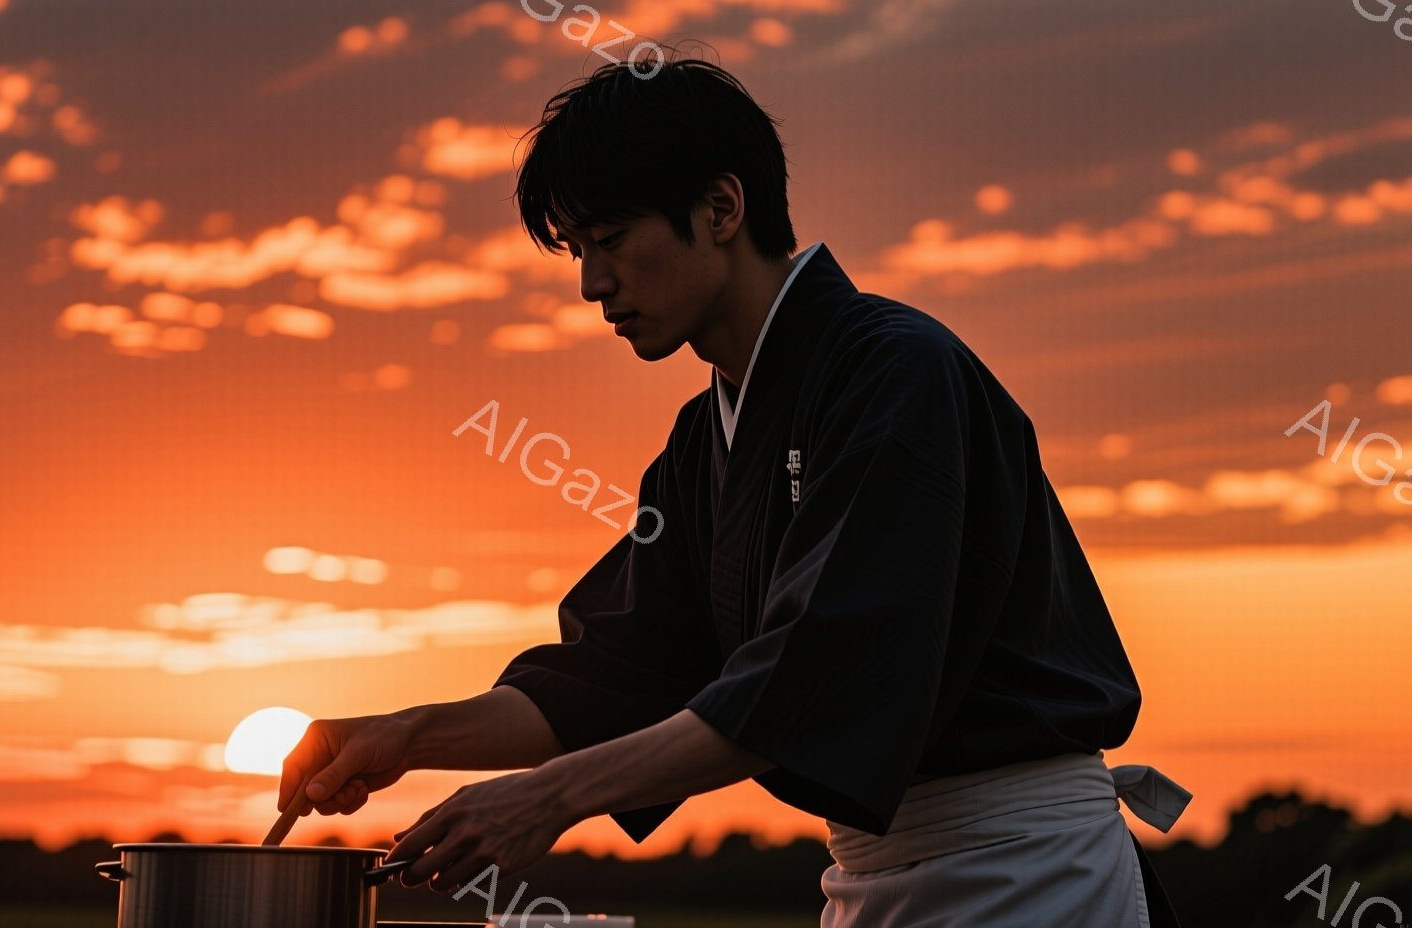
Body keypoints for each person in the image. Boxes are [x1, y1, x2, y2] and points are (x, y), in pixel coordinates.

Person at [277, 55, 1191, 927]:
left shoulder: (897, 374)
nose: (594, 284)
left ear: (720, 207)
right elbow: (616, 677)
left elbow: (817, 672)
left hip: (1026, 871)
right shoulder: (699, 441)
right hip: (868, 877)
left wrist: (552, 800)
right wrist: (404, 735)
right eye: (577, 254)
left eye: (610, 241)